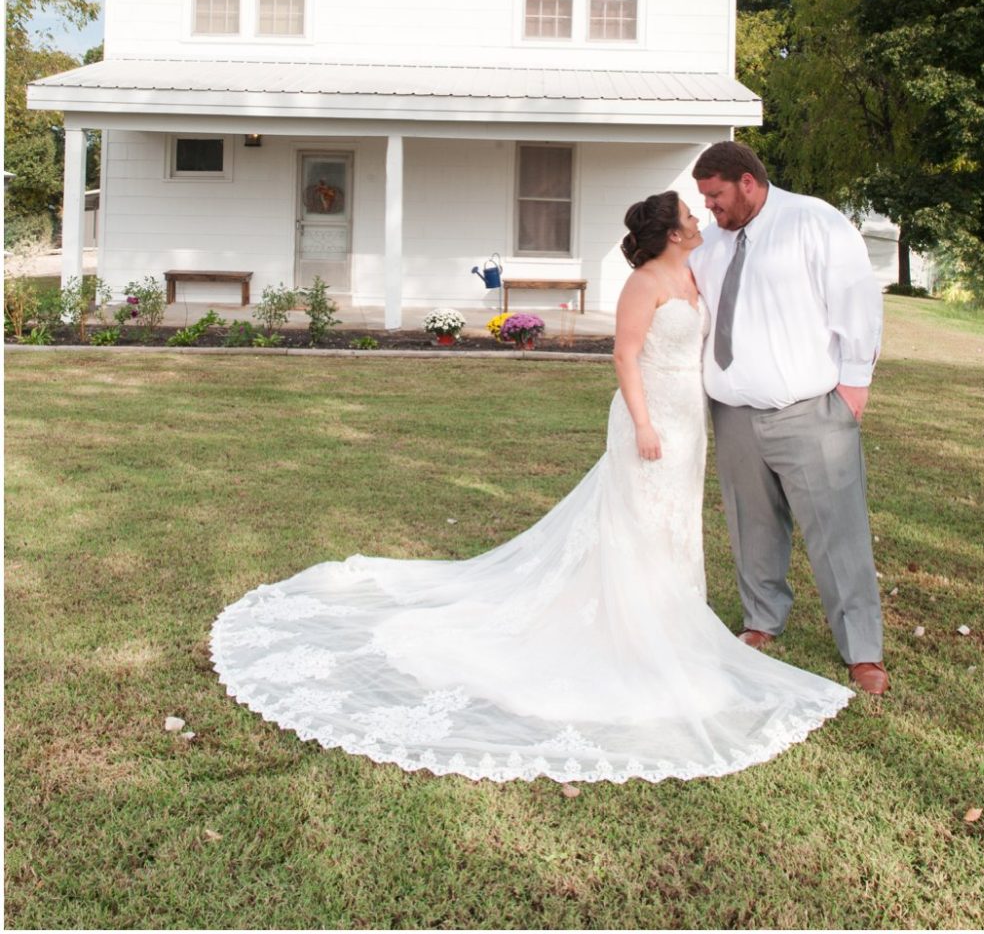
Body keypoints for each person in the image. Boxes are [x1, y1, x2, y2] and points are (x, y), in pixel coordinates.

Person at [212, 191, 851, 783]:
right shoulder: (645, 282)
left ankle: (669, 614)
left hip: (690, 422)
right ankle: (634, 628)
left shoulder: (693, 271)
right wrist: (644, 423)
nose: (700, 218)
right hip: (651, 417)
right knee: (638, 518)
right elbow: (626, 356)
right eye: (690, 213)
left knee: (674, 521)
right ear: (670, 232)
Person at [689, 141, 888, 695]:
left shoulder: (814, 221)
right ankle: (761, 620)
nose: (709, 207)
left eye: (716, 196)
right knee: (751, 527)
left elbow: (856, 302)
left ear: (747, 182)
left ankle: (862, 650)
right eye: (704, 198)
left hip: (810, 413)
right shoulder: (707, 246)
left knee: (837, 533)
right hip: (732, 416)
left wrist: (853, 386)